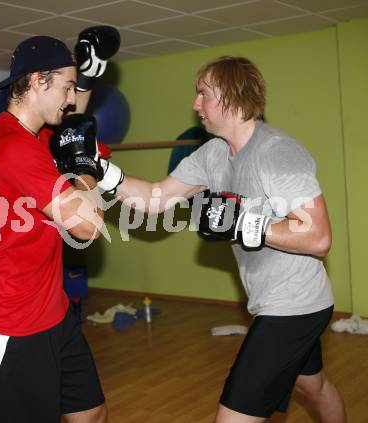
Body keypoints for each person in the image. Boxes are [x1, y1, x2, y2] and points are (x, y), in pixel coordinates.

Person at [96, 56, 347, 422]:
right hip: (275, 299)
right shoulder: (212, 154)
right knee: (312, 386)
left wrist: (246, 222)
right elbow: (156, 198)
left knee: (233, 416)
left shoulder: (276, 152)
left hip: (294, 306)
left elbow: (319, 236)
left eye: (203, 94)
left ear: (232, 96)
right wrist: (100, 170)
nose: (196, 104)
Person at [0, 29, 119, 423]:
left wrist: (86, 77)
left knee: (91, 412)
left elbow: (72, 127)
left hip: (52, 313)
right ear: (37, 81)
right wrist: (85, 173)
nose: (71, 99)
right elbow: (87, 226)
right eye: (66, 88)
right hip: (9, 325)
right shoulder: (11, 147)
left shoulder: (34, 135)